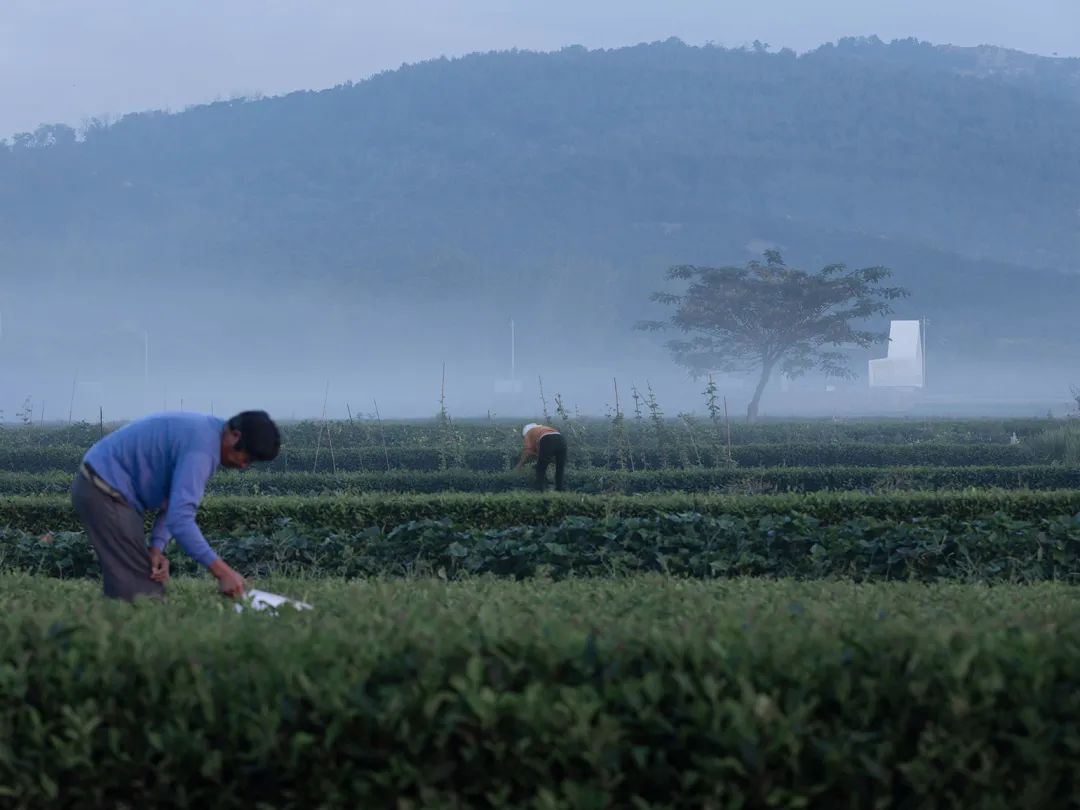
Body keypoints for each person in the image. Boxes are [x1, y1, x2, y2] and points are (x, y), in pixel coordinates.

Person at [70, 410, 281, 602]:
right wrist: (223, 572)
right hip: (104, 490)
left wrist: (156, 547)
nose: (244, 466)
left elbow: (173, 503)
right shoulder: (202, 450)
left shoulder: (208, 434)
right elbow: (181, 520)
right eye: (247, 457)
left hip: (107, 488)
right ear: (235, 435)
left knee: (141, 582)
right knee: (142, 596)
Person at [515, 422, 568, 491]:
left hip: (547, 439)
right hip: (561, 439)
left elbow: (528, 452)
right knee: (560, 468)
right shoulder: (542, 429)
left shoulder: (528, 433)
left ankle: (539, 490)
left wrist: (519, 465)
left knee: (540, 468)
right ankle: (560, 489)